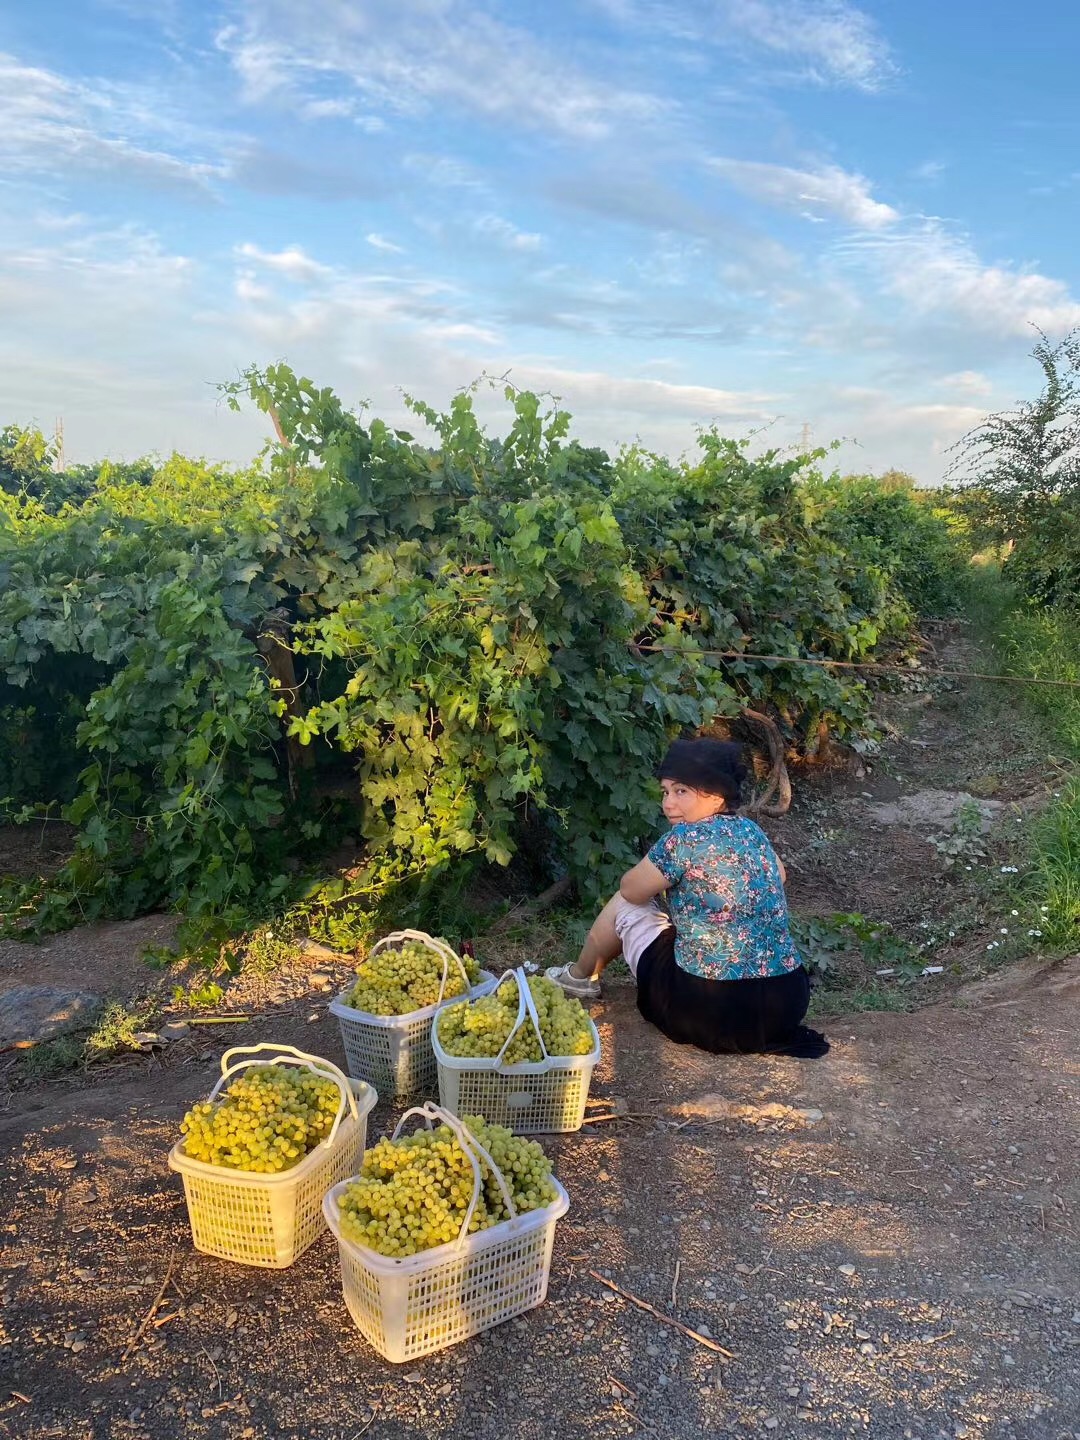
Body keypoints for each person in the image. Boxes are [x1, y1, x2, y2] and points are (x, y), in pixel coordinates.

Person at [547, 736, 828, 1057]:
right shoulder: (752, 831)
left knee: (627, 904)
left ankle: (579, 977)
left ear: (717, 794)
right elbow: (779, 874)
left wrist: (669, 881)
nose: (668, 803)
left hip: (708, 1011)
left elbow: (630, 890)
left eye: (682, 791)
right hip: (785, 1004)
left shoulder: (682, 839)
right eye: (665, 792)